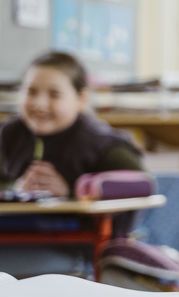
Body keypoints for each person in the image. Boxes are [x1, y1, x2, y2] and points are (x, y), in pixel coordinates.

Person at [1, 51, 143, 197]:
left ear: (81, 99)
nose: (40, 104)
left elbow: (142, 185)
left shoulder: (101, 143)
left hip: (80, 219)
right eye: (31, 92)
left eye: (54, 94)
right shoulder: (7, 134)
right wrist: (15, 190)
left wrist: (72, 192)